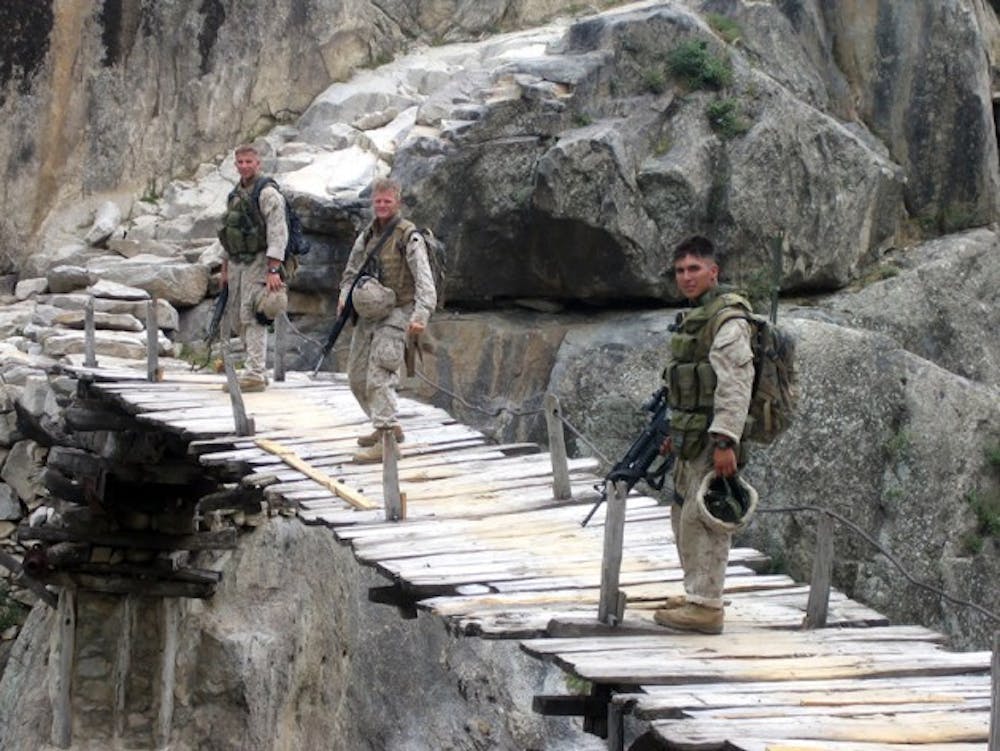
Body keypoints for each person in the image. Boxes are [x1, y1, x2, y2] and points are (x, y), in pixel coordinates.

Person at [655, 236, 755, 634]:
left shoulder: (727, 319)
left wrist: (726, 441)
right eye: (680, 271)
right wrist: (672, 431)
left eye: (694, 269)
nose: (686, 277)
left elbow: (735, 382)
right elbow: (685, 381)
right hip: (690, 435)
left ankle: (707, 606)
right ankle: (696, 592)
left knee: (705, 518)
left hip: (713, 439)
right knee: (682, 515)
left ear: (714, 272)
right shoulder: (696, 316)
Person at [340, 177, 436, 463]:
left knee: (379, 377)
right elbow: (351, 271)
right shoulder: (367, 235)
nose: (381, 206)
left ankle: (386, 441)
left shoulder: (409, 237)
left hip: (398, 313)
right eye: (377, 201)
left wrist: (420, 316)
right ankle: (387, 426)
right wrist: (344, 298)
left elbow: (425, 281)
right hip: (369, 314)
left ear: (397, 202)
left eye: (387, 202)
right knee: (357, 378)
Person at [217, 143, 288, 392]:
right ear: (235, 165)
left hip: (259, 262)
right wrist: (224, 268)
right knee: (238, 316)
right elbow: (229, 233)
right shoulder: (235, 193)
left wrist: (273, 270)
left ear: (258, 163)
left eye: (249, 162)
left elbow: (278, 232)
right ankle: (255, 368)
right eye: (241, 162)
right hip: (237, 263)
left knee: (254, 314)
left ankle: (255, 373)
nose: (245, 166)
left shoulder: (267, 193)